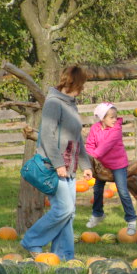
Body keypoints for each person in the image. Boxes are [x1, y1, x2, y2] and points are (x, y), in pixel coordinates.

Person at [21, 64, 92, 261]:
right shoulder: (54, 103)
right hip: (52, 167)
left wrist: (86, 166)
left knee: (69, 213)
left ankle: (64, 255)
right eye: (82, 83)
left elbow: (76, 138)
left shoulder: (70, 103)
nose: (83, 88)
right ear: (74, 82)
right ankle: (32, 240)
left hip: (68, 167)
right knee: (64, 209)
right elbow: (47, 135)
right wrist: (59, 163)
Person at [85, 103, 137, 234]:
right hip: (101, 164)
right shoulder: (94, 128)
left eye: (115, 117)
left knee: (122, 191)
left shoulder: (116, 129)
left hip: (117, 164)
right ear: (102, 118)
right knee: (97, 189)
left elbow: (106, 146)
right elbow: (90, 144)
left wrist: (94, 155)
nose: (115, 120)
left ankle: (131, 220)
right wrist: (89, 158)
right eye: (111, 117)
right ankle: (98, 214)